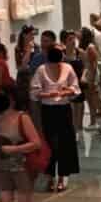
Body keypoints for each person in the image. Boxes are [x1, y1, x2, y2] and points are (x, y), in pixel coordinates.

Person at [30, 45, 81, 193]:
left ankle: (62, 178)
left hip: (64, 109)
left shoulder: (67, 68)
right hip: (48, 110)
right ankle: (50, 177)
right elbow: (34, 91)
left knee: (65, 143)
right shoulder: (41, 70)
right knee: (50, 143)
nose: (56, 65)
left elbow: (76, 87)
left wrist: (67, 91)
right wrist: (48, 95)